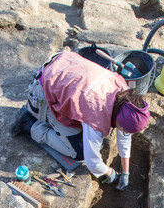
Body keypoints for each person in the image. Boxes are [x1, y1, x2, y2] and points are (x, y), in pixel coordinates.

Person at [11, 50, 150, 191]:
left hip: (63, 64)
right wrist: (111, 173)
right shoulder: (96, 113)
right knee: (79, 151)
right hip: (44, 92)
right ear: (120, 118)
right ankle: (29, 125)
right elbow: (92, 161)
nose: (125, 132)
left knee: (88, 137)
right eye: (125, 129)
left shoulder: (124, 94)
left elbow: (125, 135)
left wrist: (125, 171)